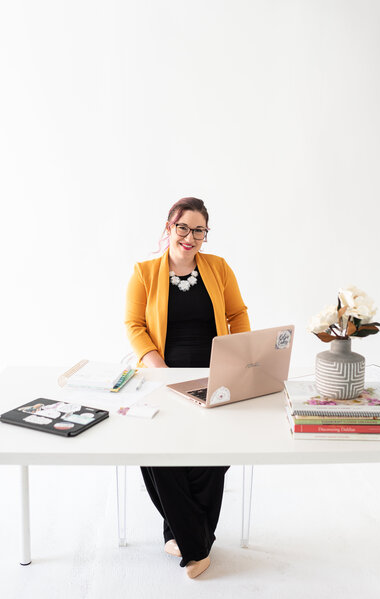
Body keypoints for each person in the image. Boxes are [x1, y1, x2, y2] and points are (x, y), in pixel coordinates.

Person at [125, 197, 250, 578]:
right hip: (162, 378)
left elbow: (237, 314)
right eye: (183, 228)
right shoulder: (145, 272)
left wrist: (241, 358)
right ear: (169, 228)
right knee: (153, 452)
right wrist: (161, 372)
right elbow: (134, 326)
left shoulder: (219, 268)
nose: (190, 237)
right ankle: (197, 546)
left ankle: (181, 533)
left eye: (199, 230)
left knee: (216, 453)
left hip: (215, 378)